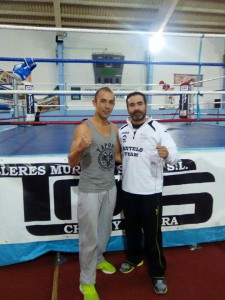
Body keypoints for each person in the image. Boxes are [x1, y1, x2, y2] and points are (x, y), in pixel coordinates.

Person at [118, 92, 178, 295]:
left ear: (145, 105)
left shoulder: (158, 129)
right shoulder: (122, 130)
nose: (136, 108)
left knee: (152, 236)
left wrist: (167, 154)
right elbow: (120, 155)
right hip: (127, 190)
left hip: (150, 192)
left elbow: (174, 154)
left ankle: (158, 272)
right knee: (132, 230)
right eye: (132, 104)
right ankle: (134, 258)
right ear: (127, 108)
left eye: (139, 104)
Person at [68, 87, 121, 300]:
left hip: (110, 188)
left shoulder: (115, 129)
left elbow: (116, 155)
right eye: (103, 101)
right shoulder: (84, 129)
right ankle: (87, 282)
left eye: (111, 102)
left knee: (104, 231)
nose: (107, 106)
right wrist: (79, 148)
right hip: (90, 191)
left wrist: (141, 159)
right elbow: (72, 162)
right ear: (94, 103)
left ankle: (99, 259)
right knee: (89, 238)